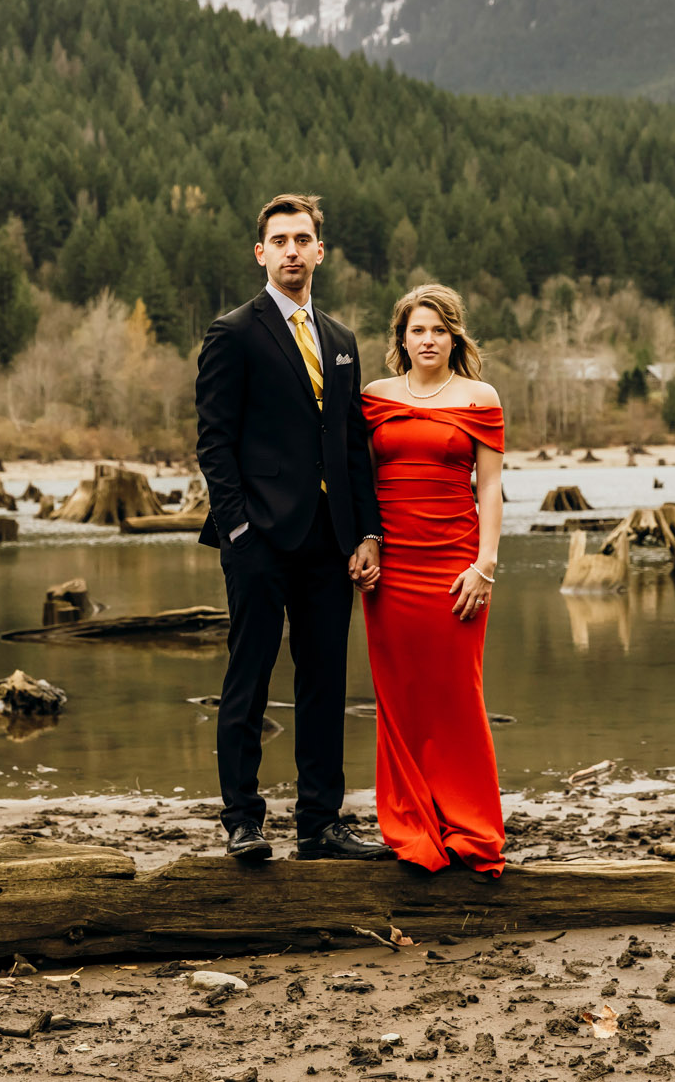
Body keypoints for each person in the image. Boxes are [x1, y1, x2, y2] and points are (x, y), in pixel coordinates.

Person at [195, 193, 391, 862]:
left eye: (302, 239)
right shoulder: (234, 332)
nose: (291, 250)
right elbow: (214, 445)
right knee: (248, 677)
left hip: (329, 541)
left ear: (319, 251)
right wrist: (238, 533)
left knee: (323, 684)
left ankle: (319, 824)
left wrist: (368, 532)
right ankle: (242, 821)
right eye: (278, 240)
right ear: (260, 252)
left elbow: (350, 444)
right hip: (258, 539)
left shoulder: (339, 341)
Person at [358, 283, 506, 876]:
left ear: (454, 337)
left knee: (457, 697)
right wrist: (363, 545)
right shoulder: (374, 397)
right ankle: (413, 823)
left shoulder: (479, 397)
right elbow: (360, 482)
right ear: (401, 337)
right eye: (417, 330)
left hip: (456, 566)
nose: (428, 339)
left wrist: (486, 566)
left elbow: (490, 488)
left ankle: (469, 827)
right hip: (391, 571)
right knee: (400, 699)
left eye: (439, 330)